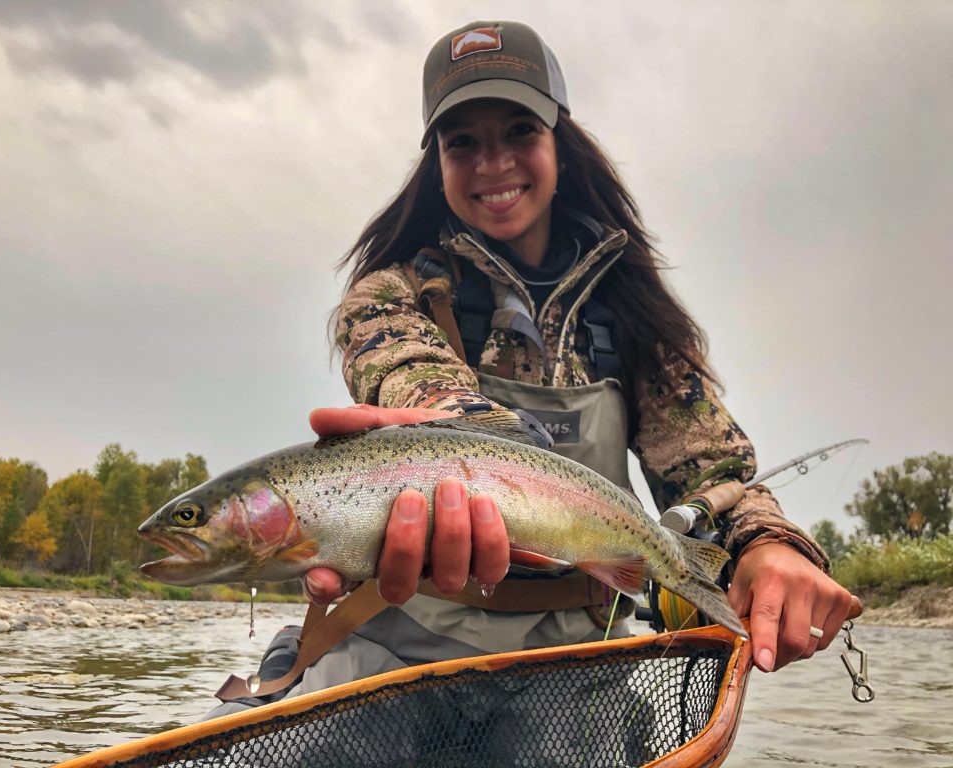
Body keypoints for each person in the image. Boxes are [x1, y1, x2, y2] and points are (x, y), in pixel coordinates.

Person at [209, 19, 851, 721]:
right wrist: (434, 433)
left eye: (519, 130)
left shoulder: (635, 316)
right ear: (438, 163)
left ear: (560, 147)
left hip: (575, 660)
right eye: (463, 143)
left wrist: (768, 546)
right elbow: (417, 381)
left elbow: (715, 478)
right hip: (397, 643)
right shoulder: (387, 297)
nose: (493, 162)